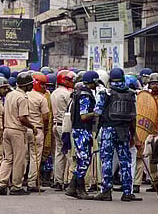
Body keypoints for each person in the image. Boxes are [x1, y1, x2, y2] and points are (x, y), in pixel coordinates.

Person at [94, 68, 141, 202]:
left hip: (108, 130)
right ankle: (127, 192)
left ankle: (106, 191)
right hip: (124, 131)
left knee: (107, 160)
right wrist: (134, 135)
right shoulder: (131, 94)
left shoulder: (105, 93)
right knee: (125, 161)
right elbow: (133, 117)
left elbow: (97, 112)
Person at [0, 72, 37, 195]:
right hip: (17, 131)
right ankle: (16, 186)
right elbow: (22, 118)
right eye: (30, 84)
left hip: (7, 129)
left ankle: (1, 183)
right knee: (19, 160)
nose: (31, 86)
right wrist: (32, 126)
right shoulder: (22, 98)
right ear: (26, 85)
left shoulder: (10, 95)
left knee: (7, 159)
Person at [65, 71, 99, 200]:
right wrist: (96, 113)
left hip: (79, 130)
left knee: (82, 160)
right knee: (84, 160)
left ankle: (72, 187)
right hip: (82, 130)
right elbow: (84, 116)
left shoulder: (79, 92)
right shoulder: (85, 95)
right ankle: (80, 189)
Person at [26, 73, 50, 193]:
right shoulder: (41, 98)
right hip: (37, 130)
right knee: (35, 158)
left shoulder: (22, 95)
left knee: (22, 157)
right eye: (42, 84)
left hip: (23, 129)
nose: (44, 87)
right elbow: (46, 117)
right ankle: (31, 182)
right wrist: (45, 129)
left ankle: (18, 181)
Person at [50, 70, 73, 190]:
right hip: (65, 126)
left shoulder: (53, 93)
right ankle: (70, 180)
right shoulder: (67, 94)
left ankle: (58, 180)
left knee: (59, 153)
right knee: (70, 154)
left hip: (56, 124)